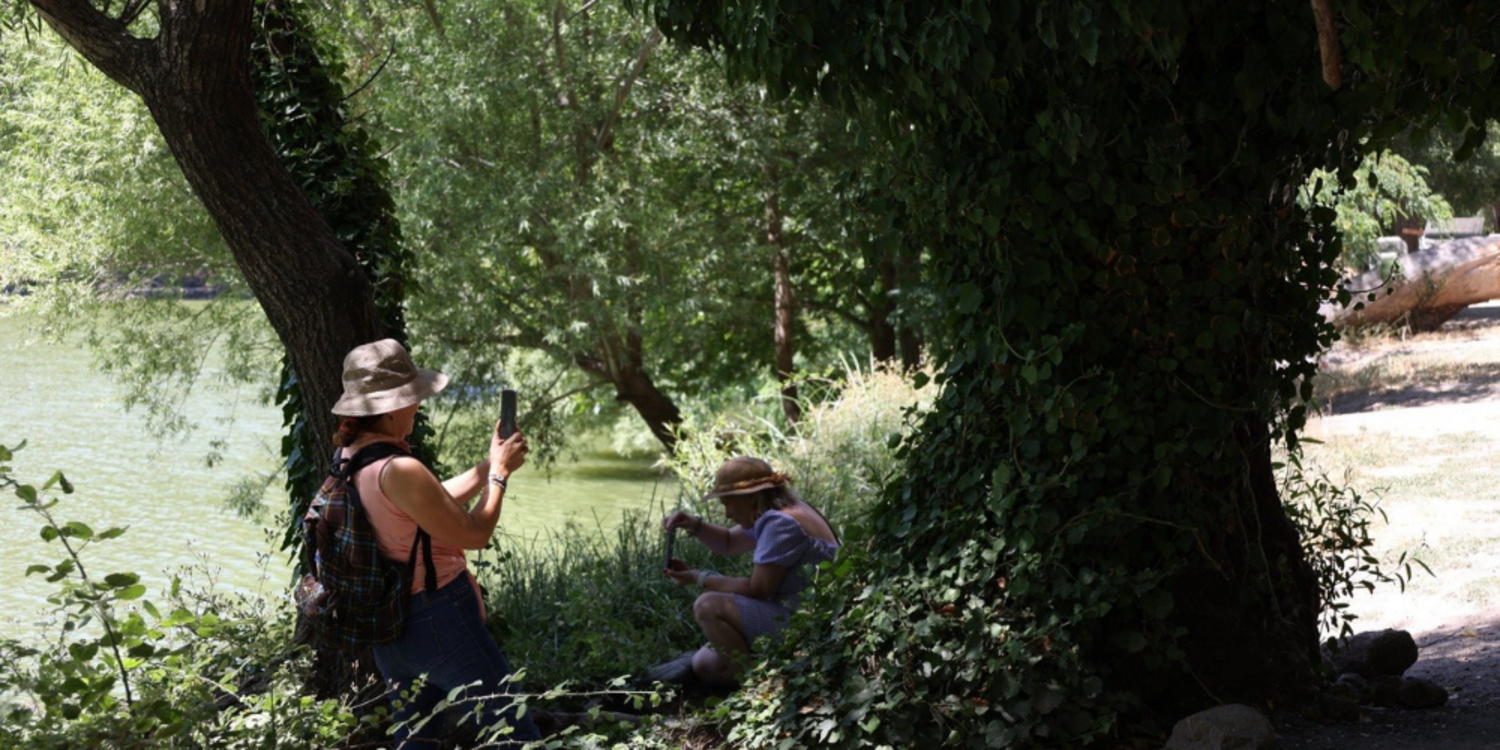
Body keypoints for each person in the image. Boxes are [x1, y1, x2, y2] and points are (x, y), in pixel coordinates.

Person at [329, 338, 540, 749]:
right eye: (413, 398)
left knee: (417, 741)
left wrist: (488, 463)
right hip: (439, 621)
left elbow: (424, 504)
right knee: (514, 736)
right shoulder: (401, 467)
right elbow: (476, 533)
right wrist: (499, 477)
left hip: (387, 627)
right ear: (390, 409)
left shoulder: (352, 456)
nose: (418, 405)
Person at [660, 456, 840, 685]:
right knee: (706, 663)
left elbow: (758, 589)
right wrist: (693, 524)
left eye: (728, 504)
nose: (727, 514)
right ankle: (769, 672)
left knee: (707, 605)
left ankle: (755, 687)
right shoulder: (786, 510)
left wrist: (699, 577)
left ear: (751, 498)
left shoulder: (780, 524)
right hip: (802, 614)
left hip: (811, 624)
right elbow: (728, 542)